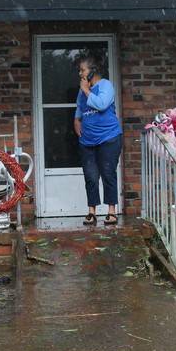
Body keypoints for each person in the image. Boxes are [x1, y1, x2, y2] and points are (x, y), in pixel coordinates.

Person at [73, 56, 122, 225]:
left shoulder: (105, 85)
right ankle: (92, 211)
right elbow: (80, 106)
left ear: (92, 70)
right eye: (79, 70)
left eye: (83, 70)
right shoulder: (82, 90)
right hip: (87, 140)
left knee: (108, 173)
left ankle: (111, 211)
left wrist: (87, 90)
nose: (80, 73)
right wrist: (77, 120)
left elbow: (101, 104)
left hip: (109, 137)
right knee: (91, 177)